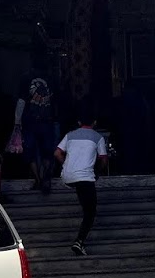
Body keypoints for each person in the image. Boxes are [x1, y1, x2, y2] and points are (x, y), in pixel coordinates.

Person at [54, 108, 108, 257]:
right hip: (85, 177)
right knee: (90, 212)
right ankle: (79, 242)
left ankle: (80, 240)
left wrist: (66, 165)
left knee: (84, 199)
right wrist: (97, 172)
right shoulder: (97, 137)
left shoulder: (70, 135)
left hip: (68, 176)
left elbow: (57, 153)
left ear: (79, 122)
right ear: (95, 122)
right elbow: (104, 160)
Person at [14, 77, 58, 194]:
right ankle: (45, 179)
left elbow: (21, 101)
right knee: (46, 152)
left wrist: (17, 122)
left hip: (31, 122)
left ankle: (38, 180)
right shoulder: (51, 79)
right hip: (46, 121)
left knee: (31, 152)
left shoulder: (26, 78)